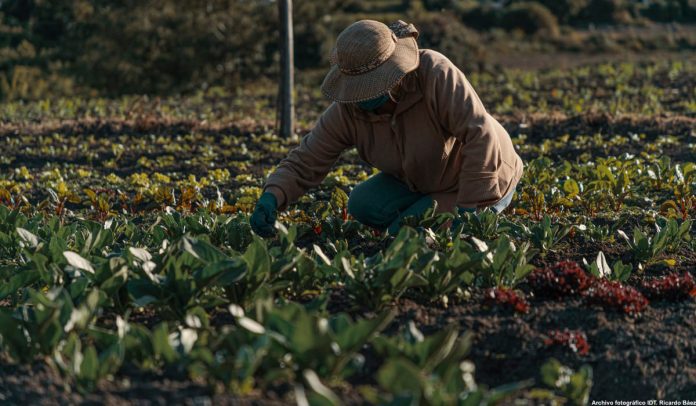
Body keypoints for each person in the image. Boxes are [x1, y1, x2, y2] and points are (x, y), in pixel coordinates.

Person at [250, 19, 523, 238]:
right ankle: (429, 209)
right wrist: (272, 196)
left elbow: (480, 135)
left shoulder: (435, 74)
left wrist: (469, 209)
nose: (364, 95)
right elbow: (307, 159)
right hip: (422, 179)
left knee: (404, 236)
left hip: (485, 174)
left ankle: (471, 208)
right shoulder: (350, 109)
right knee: (362, 204)